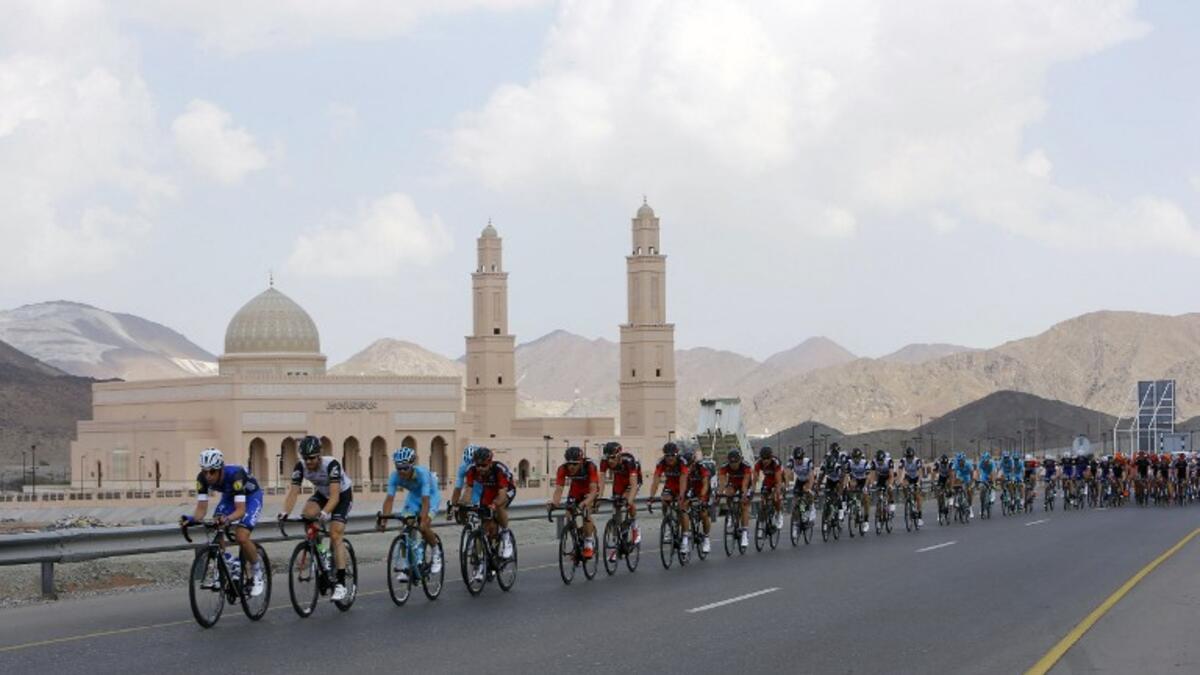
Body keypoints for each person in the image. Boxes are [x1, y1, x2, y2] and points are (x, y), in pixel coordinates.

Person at [277, 435, 353, 601]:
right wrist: (285, 512)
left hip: (341, 495)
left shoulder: (331, 465)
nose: (308, 462)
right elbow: (293, 492)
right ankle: (322, 552)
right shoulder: (301, 466)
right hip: (323, 494)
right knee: (307, 515)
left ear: (319, 455)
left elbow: (334, 498)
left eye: (311, 458)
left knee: (335, 534)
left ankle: (340, 583)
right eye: (305, 459)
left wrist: (324, 514)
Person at [183, 448, 266, 597]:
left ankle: (256, 571)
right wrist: (190, 520)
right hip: (230, 496)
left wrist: (227, 519)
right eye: (205, 471)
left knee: (241, 536)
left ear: (220, 468)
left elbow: (240, 510)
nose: (208, 476)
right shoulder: (201, 479)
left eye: (212, 471)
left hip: (251, 496)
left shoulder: (236, 474)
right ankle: (229, 562)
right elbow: (201, 510)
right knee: (215, 523)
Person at [378, 447, 442, 582]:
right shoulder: (395, 476)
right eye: (398, 467)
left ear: (412, 465)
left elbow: (425, 501)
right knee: (406, 529)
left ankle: (436, 553)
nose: (401, 471)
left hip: (430, 496)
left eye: (405, 468)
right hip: (413, 498)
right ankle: (406, 566)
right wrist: (384, 520)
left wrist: (423, 520)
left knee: (423, 527)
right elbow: (389, 499)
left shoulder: (422, 473)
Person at [461, 447, 516, 565]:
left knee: (499, 506)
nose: (480, 468)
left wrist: (494, 505)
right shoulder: (471, 470)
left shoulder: (499, 469)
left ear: (490, 463)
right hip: (489, 490)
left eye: (484, 465)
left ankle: (506, 536)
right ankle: (488, 551)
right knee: (486, 524)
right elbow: (468, 491)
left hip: (505, 489)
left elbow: (501, 495)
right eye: (478, 465)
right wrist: (462, 505)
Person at [549, 446, 600, 559]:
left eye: (575, 464)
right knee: (569, 513)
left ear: (581, 462)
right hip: (576, 489)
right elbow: (559, 489)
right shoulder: (562, 469)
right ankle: (577, 541)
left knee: (586, 511)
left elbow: (593, 491)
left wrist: (586, 502)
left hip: (589, 489)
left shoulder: (590, 466)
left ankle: (588, 542)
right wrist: (554, 503)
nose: (571, 467)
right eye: (569, 463)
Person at [648, 442, 692, 554]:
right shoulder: (661, 462)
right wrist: (651, 496)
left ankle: (686, 538)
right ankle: (668, 522)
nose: (670, 458)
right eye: (667, 455)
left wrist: (681, 495)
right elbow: (656, 480)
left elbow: (683, 479)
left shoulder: (682, 462)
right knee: (664, 500)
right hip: (671, 485)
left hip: (684, 484)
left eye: (673, 455)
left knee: (682, 509)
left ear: (677, 454)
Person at [599, 441, 643, 544]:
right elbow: (601, 481)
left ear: (619, 456)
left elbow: (633, 485)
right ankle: (617, 537)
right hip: (619, 480)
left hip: (632, 480)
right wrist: (599, 497)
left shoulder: (628, 460)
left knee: (627, 499)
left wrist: (629, 500)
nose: (609, 461)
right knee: (616, 505)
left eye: (613, 457)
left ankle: (635, 527)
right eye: (608, 458)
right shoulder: (604, 461)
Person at [717, 448, 754, 548]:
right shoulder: (724, 466)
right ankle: (731, 513)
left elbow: (745, 484)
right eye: (731, 463)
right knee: (728, 492)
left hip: (745, 485)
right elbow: (722, 483)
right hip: (733, 484)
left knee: (744, 506)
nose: (733, 465)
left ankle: (745, 534)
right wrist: (719, 494)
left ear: (740, 460)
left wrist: (744, 495)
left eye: (736, 462)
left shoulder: (746, 466)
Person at [682, 449, 713, 554]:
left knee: (703, 513)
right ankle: (685, 537)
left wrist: (701, 498)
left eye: (690, 464)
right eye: (686, 465)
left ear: (694, 462)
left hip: (703, 491)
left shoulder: (701, 468)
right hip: (690, 491)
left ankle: (706, 538)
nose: (688, 467)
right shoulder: (683, 469)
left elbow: (705, 484)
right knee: (682, 509)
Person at [447, 444, 484, 521]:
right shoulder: (463, 468)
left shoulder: (486, 464)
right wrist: (453, 505)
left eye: (474, 463)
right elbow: (458, 488)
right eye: (469, 463)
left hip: (487, 484)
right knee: (464, 504)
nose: (472, 467)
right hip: (475, 486)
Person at [753, 447, 785, 531]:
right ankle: (763, 520)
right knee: (763, 499)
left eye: (767, 458)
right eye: (763, 458)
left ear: (771, 457)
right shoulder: (758, 463)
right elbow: (755, 478)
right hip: (768, 481)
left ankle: (779, 514)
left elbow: (778, 481)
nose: (765, 461)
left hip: (778, 480)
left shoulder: (776, 462)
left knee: (776, 497)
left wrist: (777, 491)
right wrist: (752, 489)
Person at [787, 447, 816, 524]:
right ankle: (798, 517)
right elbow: (788, 473)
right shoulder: (791, 461)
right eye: (796, 458)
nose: (798, 460)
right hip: (799, 480)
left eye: (800, 459)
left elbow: (812, 476)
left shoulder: (808, 462)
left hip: (808, 479)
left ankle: (812, 509)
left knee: (806, 493)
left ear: (803, 457)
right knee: (796, 500)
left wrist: (809, 488)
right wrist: (787, 484)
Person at [847, 448, 872, 533]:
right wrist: (848, 484)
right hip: (855, 480)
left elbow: (868, 477)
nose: (856, 459)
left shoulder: (864, 463)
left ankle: (866, 520)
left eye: (858, 457)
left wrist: (865, 486)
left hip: (864, 480)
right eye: (854, 457)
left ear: (860, 457)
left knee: (865, 498)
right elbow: (847, 475)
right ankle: (853, 508)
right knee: (851, 490)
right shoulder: (850, 463)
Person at [899, 447, 924, 526]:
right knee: (904, 484)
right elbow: (900, 471)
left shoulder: (917, 461)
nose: (909, 459)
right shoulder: (903, 461)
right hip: (909, 477)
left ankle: (919, 517)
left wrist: (918, 482)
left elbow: (920, 472)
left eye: (911, 457)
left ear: (913, 456)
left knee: (917, 496)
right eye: (908, 457)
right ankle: (907, 499)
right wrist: (900, 480)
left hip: (916, 477)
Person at [871, 449, 896, 518]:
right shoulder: (874, 462)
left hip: (888, 475)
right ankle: (879, 508)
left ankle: (891, 503)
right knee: (879, 492)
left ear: (884, 459)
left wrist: (890, 484)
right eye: (878, 462)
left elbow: (891, 475)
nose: (880, 463)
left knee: (889, 488)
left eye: (881, 461)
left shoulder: (889, 461)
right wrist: (873, 483)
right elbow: (872, 474)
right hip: (881, 476)